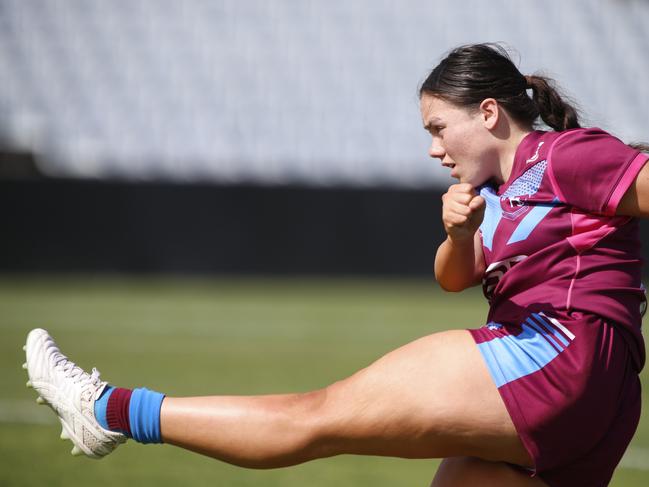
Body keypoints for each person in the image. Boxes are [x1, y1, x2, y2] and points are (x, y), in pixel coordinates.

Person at [24, 43, 648, 487]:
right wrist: (459, 234)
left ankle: (107, 409)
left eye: (439, 127)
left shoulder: (564, 155)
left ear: (488, 113)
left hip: (559, 355)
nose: (433, 149)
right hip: (603, 399)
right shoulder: (498, 197)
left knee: (315, 417)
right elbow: (453, 276)